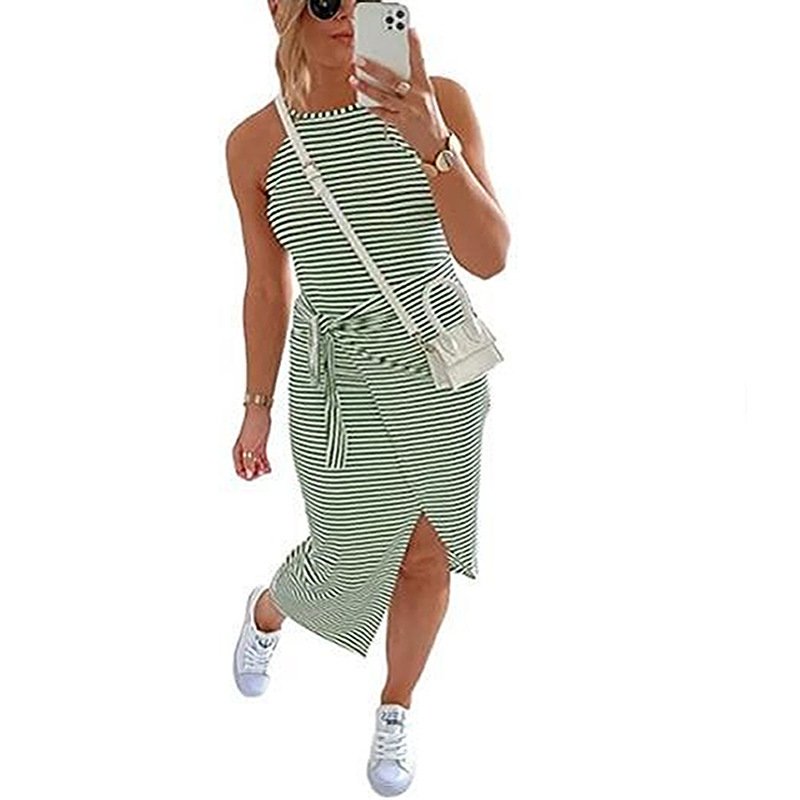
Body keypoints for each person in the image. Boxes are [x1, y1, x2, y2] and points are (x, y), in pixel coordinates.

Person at [226, 0, 509, 794]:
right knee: (349, 558)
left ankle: (397, 706)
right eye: (325, 0)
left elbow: (489, 256)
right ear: (282, 9)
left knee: (427, 554)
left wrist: (432, 139)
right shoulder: (255, 144)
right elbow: (266, 287)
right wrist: (256, 405)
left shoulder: (440, 100)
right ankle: (271, 608)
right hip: (336, 379)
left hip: (440, 364)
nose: (347, 13)